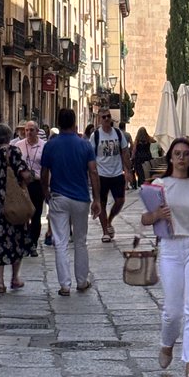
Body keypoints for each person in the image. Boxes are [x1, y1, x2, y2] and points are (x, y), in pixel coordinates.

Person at [141, 136, 189, 377]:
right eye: (178, 154)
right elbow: (145, 220)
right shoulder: (160, 185)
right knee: (172, 311)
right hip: (170, 249)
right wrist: (156, 214)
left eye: (186, 154)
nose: (182, 158)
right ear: (170, 158)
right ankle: (166, 344)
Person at [40, 107, 101, 296]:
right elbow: (93, 171)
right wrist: (97, 199)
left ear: (58, 123)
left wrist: (45, 192)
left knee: (61, 242)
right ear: (75, 123)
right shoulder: (84, 145)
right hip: (81, 198)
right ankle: (82, 281)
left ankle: (65, 285)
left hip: (58, 196)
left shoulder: (50, 145)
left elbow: (44, 172)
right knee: (81, 241)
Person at [0, 122, 33, 293]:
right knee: (16, 239)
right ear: (8, 137)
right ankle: (14, 278)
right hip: (13, 202)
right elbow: (24, 172)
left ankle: (0, 282)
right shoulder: (13, 152)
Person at [92, 108, 131, 241]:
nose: (107, 119)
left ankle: (110, 220)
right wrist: (91, 173)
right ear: (99, 119)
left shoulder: (118, 133)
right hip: (101, 174)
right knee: (101, 203)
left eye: (108, 116)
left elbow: (125, 152)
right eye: (104, 117)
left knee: (120, 200)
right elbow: (91, 155)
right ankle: (105, 232)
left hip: (117, 172)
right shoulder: (95, 136)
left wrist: (128, 171)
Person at [13, 119, 45, 255]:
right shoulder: (18, 145)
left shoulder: (44, 146)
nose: (29, 132)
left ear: (37, 131)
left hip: (37, 183)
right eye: (26, 130)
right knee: (23, 215)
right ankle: (24, 242)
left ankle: (33, 243)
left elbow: (46, 166)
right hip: (22, 185)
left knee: (36, 215)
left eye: (32, 130)